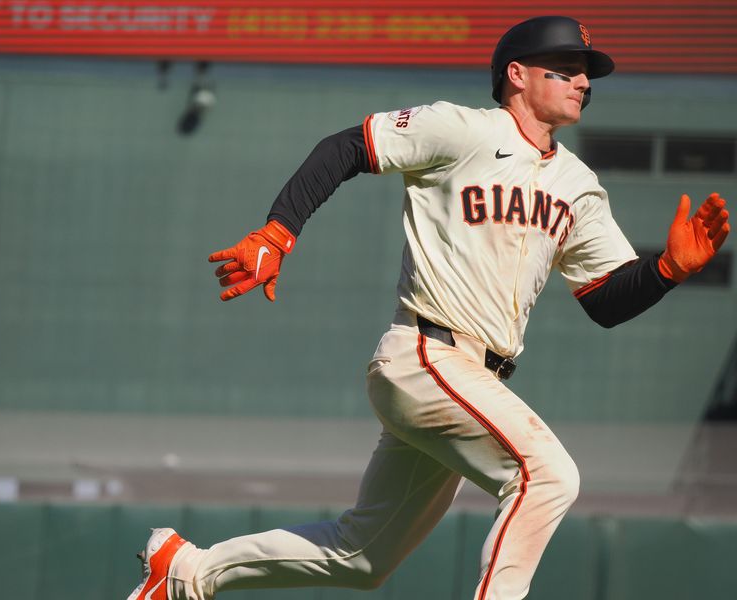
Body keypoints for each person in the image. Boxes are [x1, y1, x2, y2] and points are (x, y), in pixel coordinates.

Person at [128, 15, 730, 600]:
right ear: (517, 74)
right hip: (426, 353)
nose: (583, 81)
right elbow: (345, 148)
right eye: (566, 68)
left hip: (471, 381)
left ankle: (186, 571)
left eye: (586, 72)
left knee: (363, 557)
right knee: (547, 475)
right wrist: (278, 232)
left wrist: (666, 271)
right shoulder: (461, 129)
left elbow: (605, 301)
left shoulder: (579, 185)